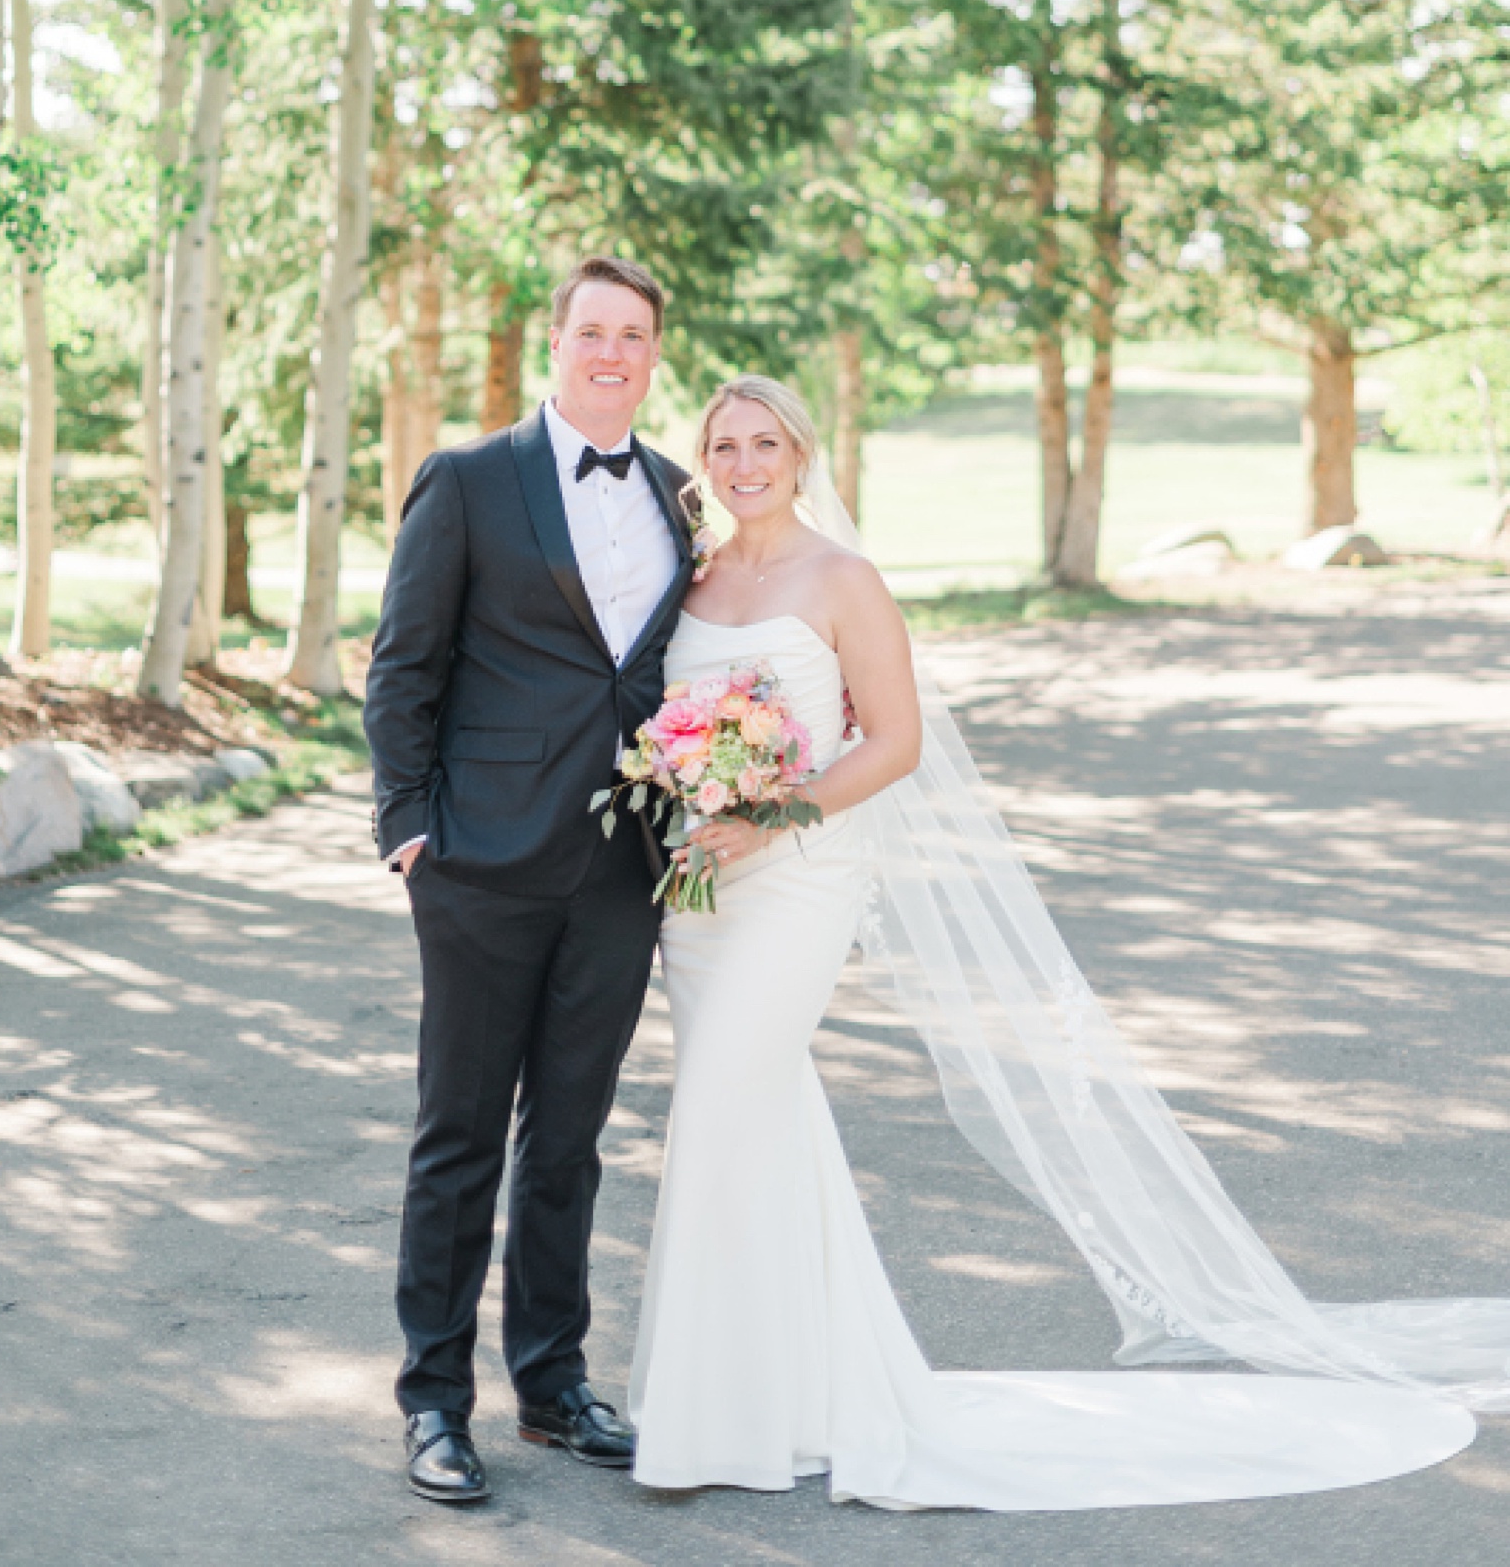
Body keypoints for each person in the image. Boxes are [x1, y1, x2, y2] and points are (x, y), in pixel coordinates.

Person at [628, 375, 1504, 1511]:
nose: (744, 462)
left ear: (800, 454)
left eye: (764, 443)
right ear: (704, 458)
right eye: (723, 444)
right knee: (761, 1121)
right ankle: (787, 1394)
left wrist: (769, 816)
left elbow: (891, 743)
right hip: (701, 891)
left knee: (715, 1110)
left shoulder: (842, 578)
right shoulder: (692, 579)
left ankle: (708, 1421)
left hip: (797, 874)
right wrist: (697, 800)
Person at [365, 255, 695, 1506]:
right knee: (456, 1138)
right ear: (552, 343)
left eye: (635, 334)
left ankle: (552, 1382)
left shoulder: (680, 494)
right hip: (479, 863)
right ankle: (433, 1403)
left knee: (567, 1138)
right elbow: (402, 667)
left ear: (653, 352)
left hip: (622, 869)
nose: (612, 351)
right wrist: (407, 830)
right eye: (592, 330)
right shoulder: (466, 480)